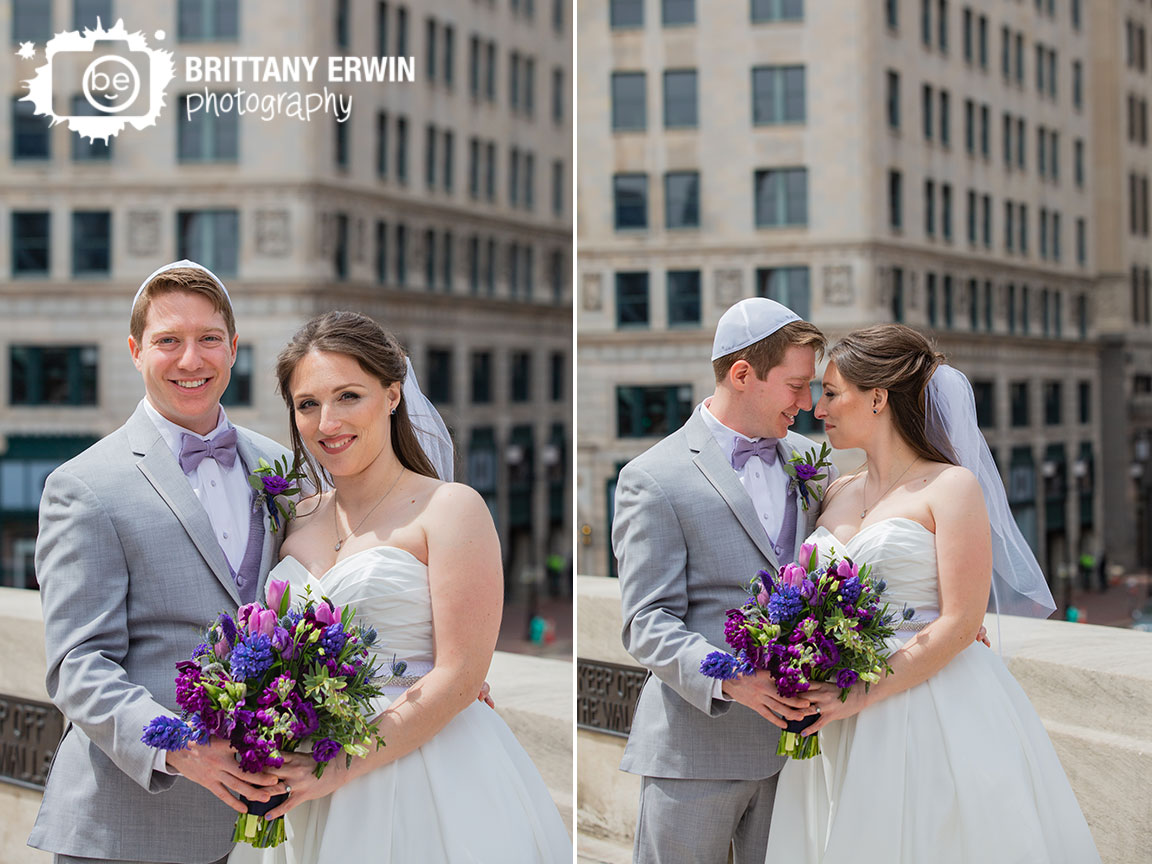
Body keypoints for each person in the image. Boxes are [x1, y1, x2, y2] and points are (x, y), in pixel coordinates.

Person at [230, 311, 571, 863]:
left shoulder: (451, 508)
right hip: (300, 782)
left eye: (348, 396)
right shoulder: (297, 516)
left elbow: (462, 675)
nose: (327, 422)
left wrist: (337, 767)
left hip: (421, 773)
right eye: (307, 404)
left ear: (392, 396)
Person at [764, 324, 1101, 863]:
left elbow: (963, 623)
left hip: (924, 709)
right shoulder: (833, 489)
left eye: (830, 393)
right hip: (833, 717)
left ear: (877, 398)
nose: (817, 409)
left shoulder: (951, 487)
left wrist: (859, 694)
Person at [29, 261, 290, 864]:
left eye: (208, 340)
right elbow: (77, 664)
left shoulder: (280, 467)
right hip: (127, 828)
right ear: (135, 350)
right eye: (168, 340)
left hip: (265, 830)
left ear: (233, 348)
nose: (190, 360)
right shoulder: (84, 485)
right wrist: (181, 747)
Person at [613, 298, 832, 864]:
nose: (807, 404)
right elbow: (645, 622)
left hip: (803, 755)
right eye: (795, 385)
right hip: (695, 753)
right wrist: (734, 680)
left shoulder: (816, 463)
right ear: (742, 375)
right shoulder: (652, 477)